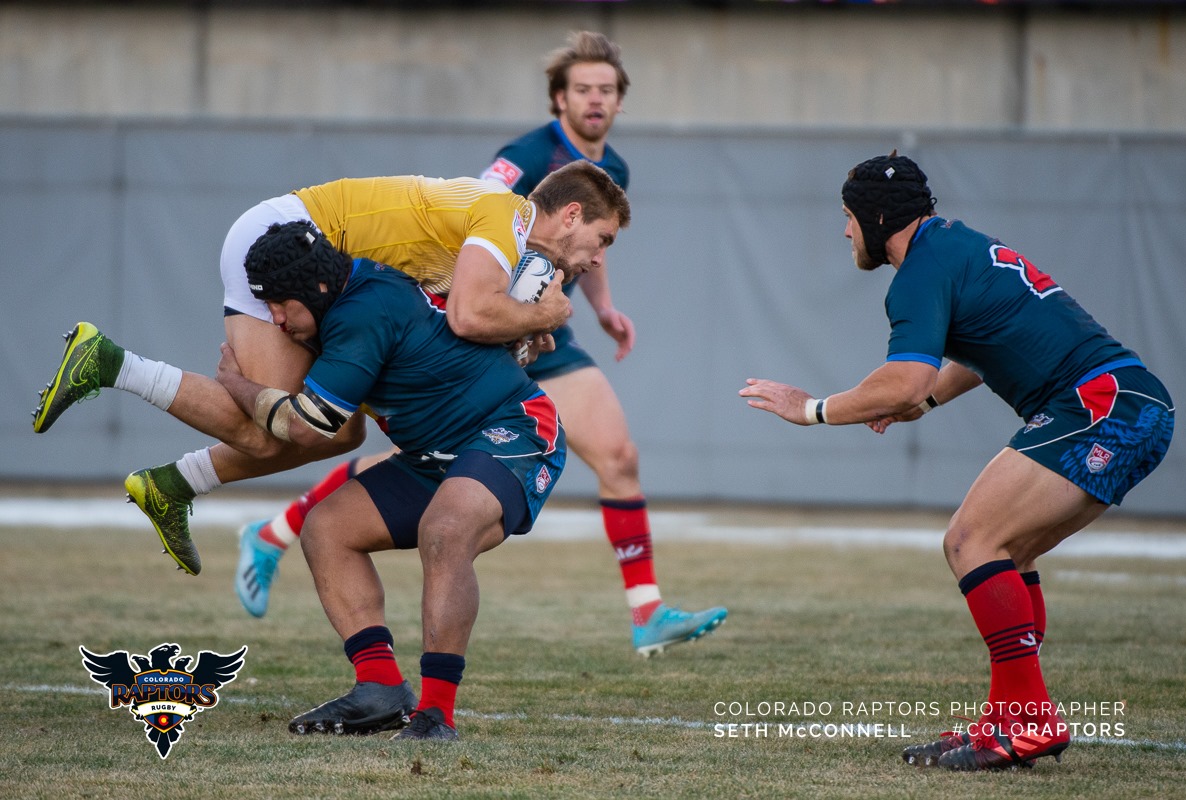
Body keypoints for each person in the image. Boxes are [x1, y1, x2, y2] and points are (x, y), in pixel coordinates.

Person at [233, 31, 728, 657]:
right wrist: (481, 313)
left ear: (621, 102)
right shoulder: (523, 159)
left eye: (606, 90)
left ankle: (646, 611)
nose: (595, 100)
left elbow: (590, 242)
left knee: (617, 456)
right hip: (487, 322)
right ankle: (278, 530)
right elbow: (478, 231)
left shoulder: (610, 174)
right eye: (583, 90)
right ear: (558, 99)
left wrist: (602, 307)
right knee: (423, 452)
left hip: (542, 325)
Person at [739, 152, 1174, 771]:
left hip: (1100, 405)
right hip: (1127, 403)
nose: (844, 232)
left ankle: (1032, 722)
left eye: (846, 217)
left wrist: (811, 408)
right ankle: (1009, 720)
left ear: (876, 216)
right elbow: (979, 346)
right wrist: (930, 396)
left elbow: (901, 381)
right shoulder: (955, 244)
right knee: (1006, 551)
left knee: (971, 540)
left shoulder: (917, 271)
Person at [32, 162, 629, 576]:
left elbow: (451, 320)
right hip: (294, 247)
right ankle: (111, 364)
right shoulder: (506, 221)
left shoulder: (506, 229)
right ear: (570, 215)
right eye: (602, 239)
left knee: (340, 431)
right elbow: (470, 318)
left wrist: (523, 332)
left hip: (324, 266)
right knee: (283, 426)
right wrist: (544, 312)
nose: (599, 257)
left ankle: (174, 483)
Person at [221, 220, 568, 740]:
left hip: (511, 426)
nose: (273, 319)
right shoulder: (349, 298)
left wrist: (236, 384)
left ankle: (435, 715)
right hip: (434, 454)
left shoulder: (362, 313)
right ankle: (380, 688)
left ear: (317, 289)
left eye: (280, 304)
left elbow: (307, 430)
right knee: (326, 529)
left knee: (446, 529)